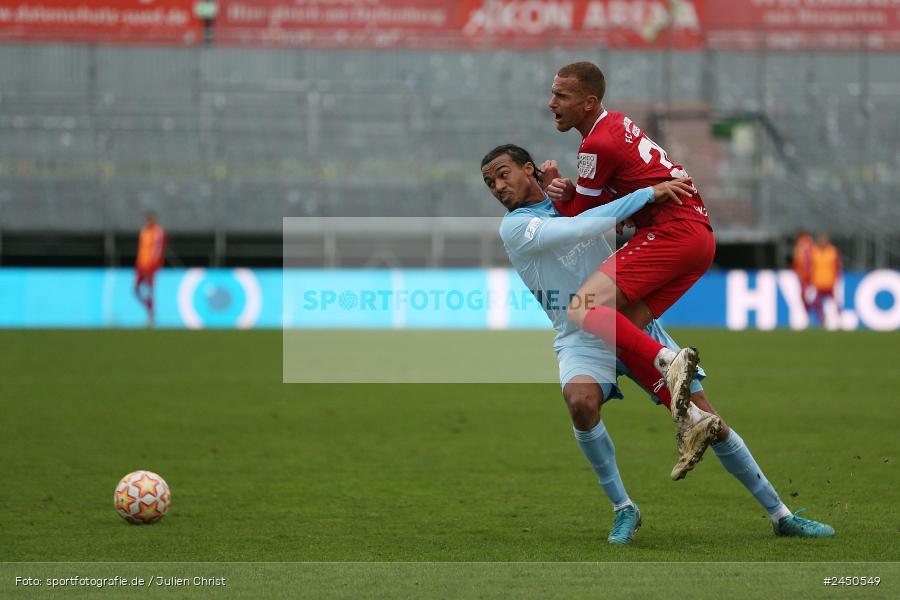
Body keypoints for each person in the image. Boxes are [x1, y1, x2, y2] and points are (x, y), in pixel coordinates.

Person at [481, 144, 836, 543]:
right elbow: (580, 227)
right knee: (580, 402)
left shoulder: (573, 199)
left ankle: (781, 515)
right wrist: (649, 193)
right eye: (490, 181)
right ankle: (624, 508)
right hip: (579, 336)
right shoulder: (515, 227)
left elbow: (605, 215)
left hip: (628, 323)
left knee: (711, 425)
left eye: (503, 174)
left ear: (527, 168)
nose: (497, 186)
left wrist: (570, 195)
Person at [544, 62, 716, 425]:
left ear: (589, 102)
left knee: (583, 308)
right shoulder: (617, 123)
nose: (551, 103)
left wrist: (556, 189)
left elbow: (582, 222)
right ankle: (697, 421)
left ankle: (670, 360)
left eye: (561, 95)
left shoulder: (595, 144)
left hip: (670, 233)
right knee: (621, 329)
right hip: (699, 239)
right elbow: (609, 196)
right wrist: (574, 191)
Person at [135, 212, 166, 327]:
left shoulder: (158, 232)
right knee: (136, 289)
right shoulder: (144, 232)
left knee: (149, 290)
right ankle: (149, 308)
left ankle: (151, 316)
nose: (148, 221)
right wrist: (138, 263)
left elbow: (158, 249)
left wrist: (155, 265)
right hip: (141, 265)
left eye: (149, 219)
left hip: (151, 266)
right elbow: (141, 249)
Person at [809, 233, 842, 327]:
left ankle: (839, 320)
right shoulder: (814, 251)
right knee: (815, 302)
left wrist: (837, 279)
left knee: (835, 302)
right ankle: (821, 318)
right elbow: (811, 266)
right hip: (818, 282)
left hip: (830, 282)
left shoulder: (832, 251)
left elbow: (837, 266)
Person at [792, 230, 815, 313]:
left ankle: (810, 311)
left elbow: (799, 260)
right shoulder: (810, 243)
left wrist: (795, 269)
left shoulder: (801, 244)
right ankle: (810, 311)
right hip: (809, 274)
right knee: (807, 295)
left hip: (805, 275)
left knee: (805, 295)